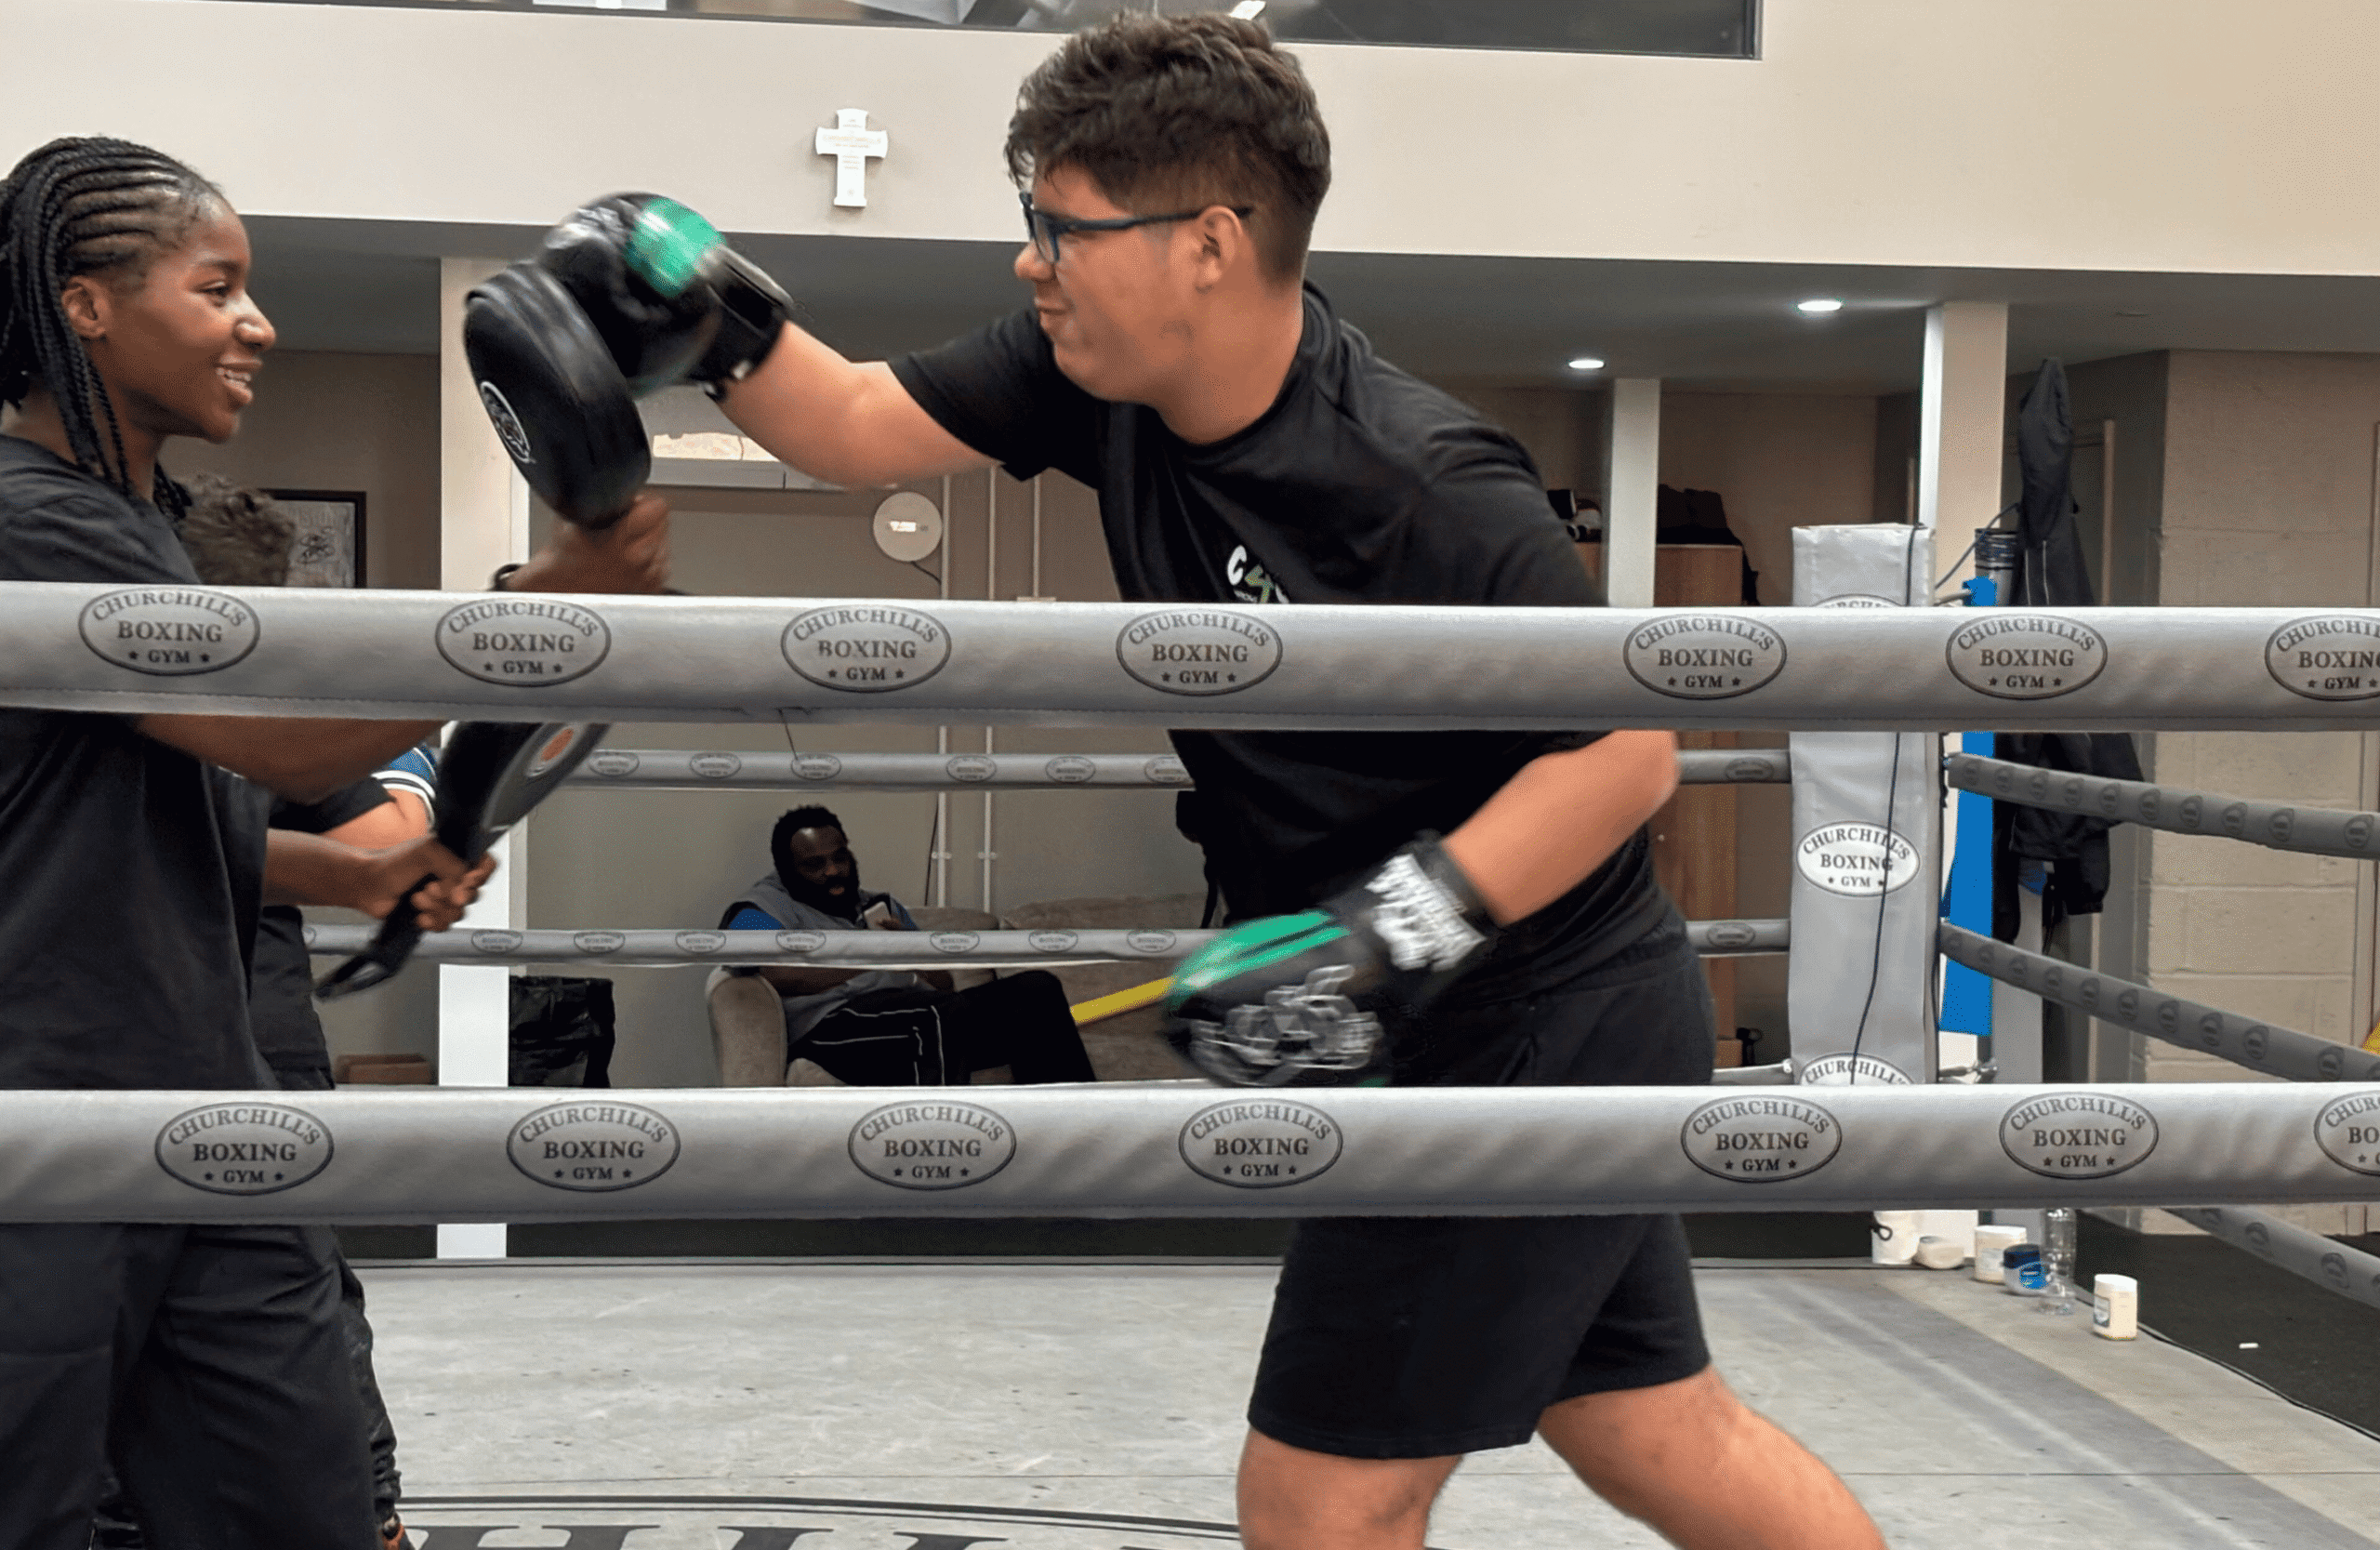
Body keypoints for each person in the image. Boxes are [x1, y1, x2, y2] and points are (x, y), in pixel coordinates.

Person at [508, 16, 1887, 1547]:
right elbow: (851, 423)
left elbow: (1627, 752)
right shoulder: (1088, 370)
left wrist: (1378, 941)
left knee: (1319, 1501)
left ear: (1211, 243)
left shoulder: (1419, 485)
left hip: (1524, 1015)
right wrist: (714, 319)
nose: (1032, 264)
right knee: (1649, 1423)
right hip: (1523, 1013)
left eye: (1063, 229)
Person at [0, 135, 660, 1550]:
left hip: (203, 1100)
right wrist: (537, 603)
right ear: (85, 304)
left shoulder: (136, 524)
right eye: (218, 285)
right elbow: (290, 746)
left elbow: (124, 810)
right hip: (44, 1117)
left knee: (309, 1498)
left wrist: (349, 871)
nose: (260, 323)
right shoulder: (29, 518)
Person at [713, 805, 1093, 1086]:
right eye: (814, 864)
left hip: (916, 1012)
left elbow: (942, 983)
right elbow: (773, 973)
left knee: (1036, 990)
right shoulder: (761, 907)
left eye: (839, 857)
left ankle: (1072, 1134)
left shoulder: (881, 905)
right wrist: (869, 951)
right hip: (834, 1027)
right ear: (786, 870)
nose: (832, 871)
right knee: (932, 1015)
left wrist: (909, 951)